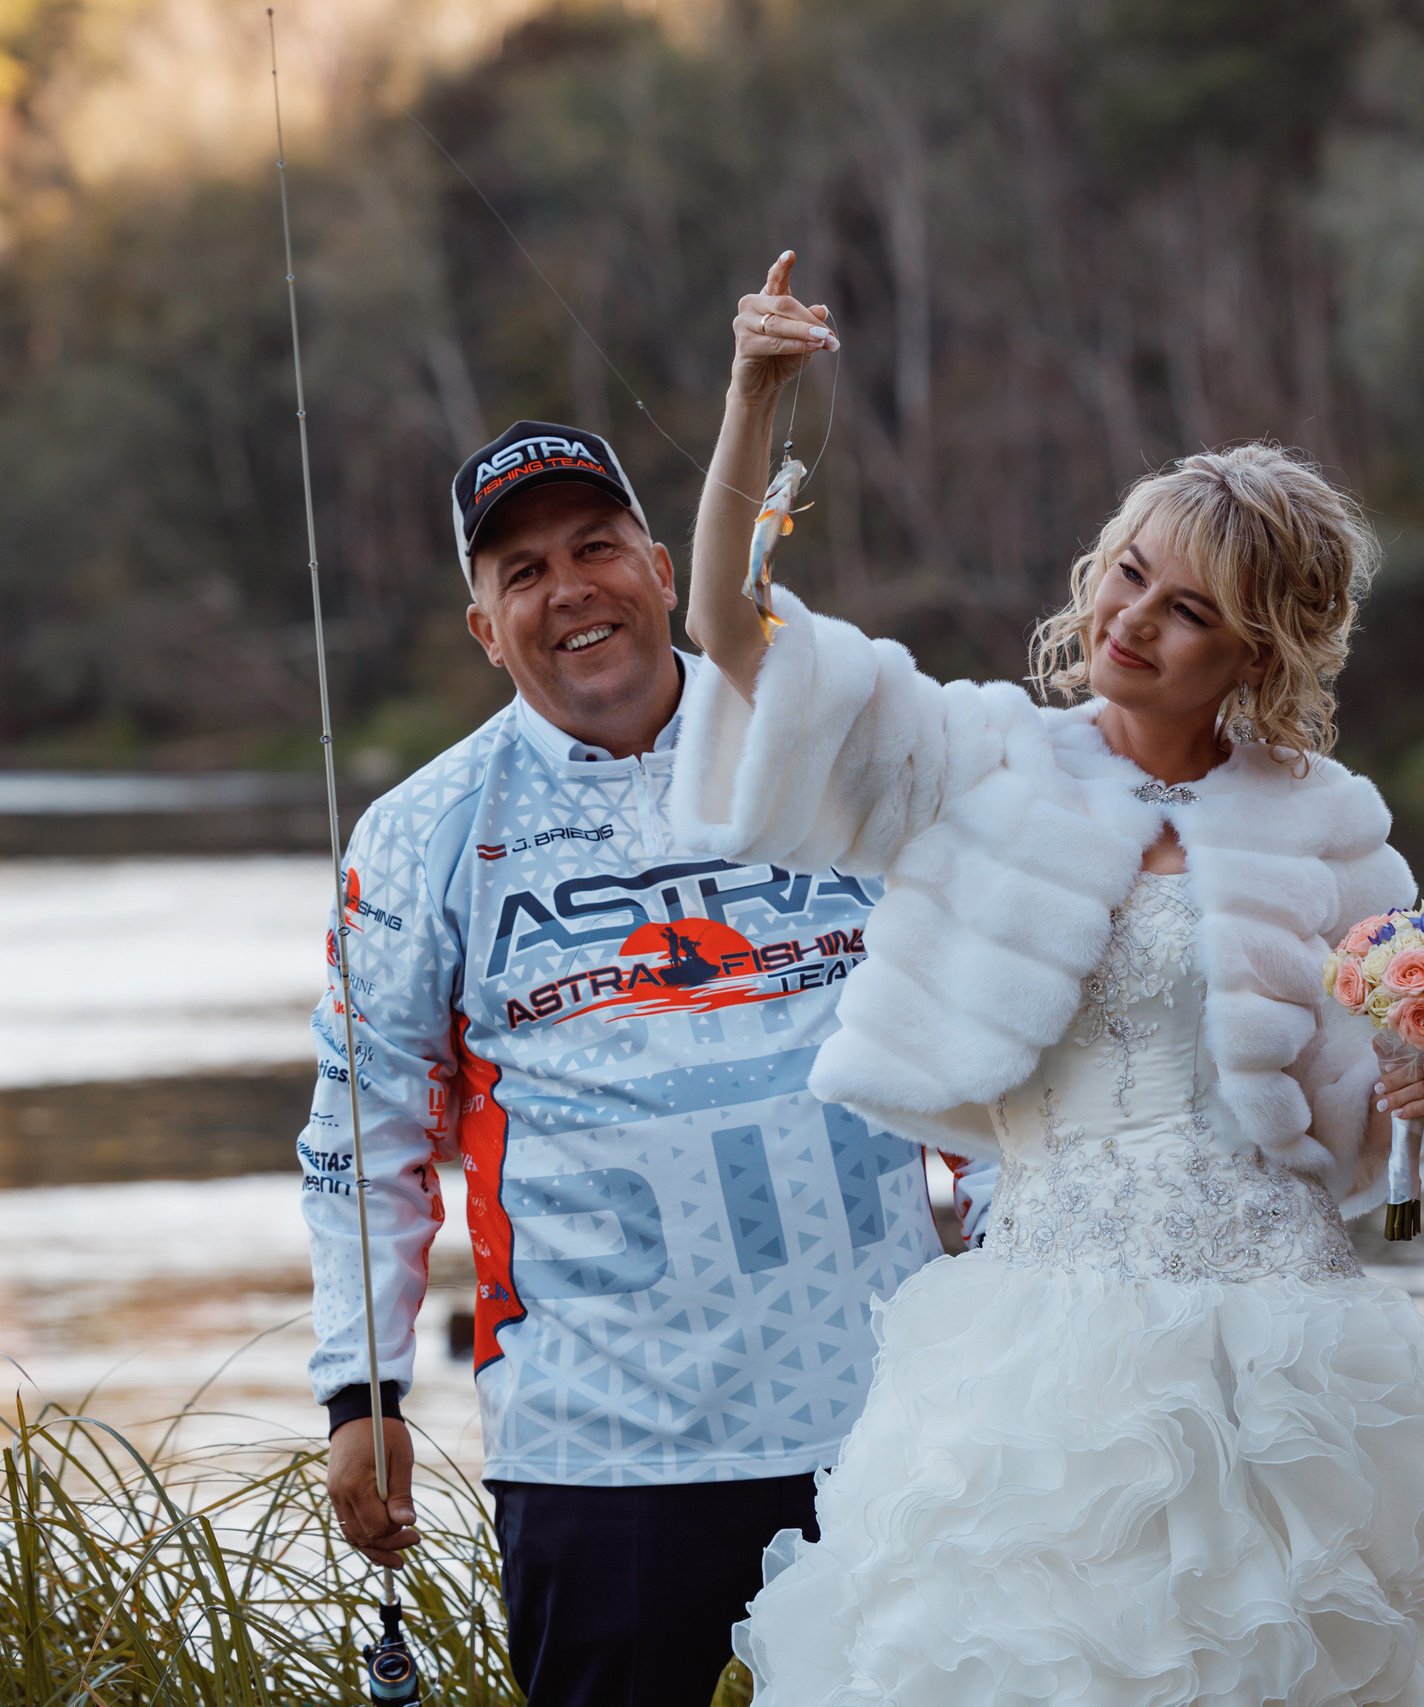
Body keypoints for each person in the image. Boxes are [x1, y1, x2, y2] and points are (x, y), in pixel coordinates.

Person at [671, 256, 1424, 1704]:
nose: (1133, 618)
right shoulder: (978, 760)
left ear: (1257, 653)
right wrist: (754, 397)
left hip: (1292, 1340)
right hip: (1044, 1339)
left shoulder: (1328, 827)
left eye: (1188, 610)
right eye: (1129, 572)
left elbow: (1363, 1107)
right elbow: (730, 634)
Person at [298, 418, 992, 1707]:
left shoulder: (835, 756)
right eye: (523, 572)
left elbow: (985, 1056)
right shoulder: (416, 834)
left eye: (597, 547)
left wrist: (1034, 1289)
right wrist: (363, 1391)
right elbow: (363, 1136)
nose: (570, 589)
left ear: (665, 570)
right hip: (597, 1450)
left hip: (893, 1417)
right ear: (485, 628)